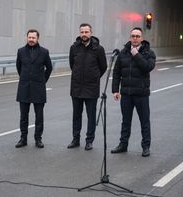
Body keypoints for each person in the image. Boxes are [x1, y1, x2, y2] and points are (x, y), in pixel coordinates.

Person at [111, 27, 156, 157]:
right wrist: (115, 90)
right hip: (126, 93)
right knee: (125, 121)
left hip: (141, 94)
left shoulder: (148, 53)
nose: (135, 38)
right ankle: (123, 144)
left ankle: (146, 147)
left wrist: (136, 54)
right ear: (130, 37)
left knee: (144, 121)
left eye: (137, 36)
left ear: (142, 38)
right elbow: (116, 72)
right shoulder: (123, 53)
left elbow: (147, 67)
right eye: (133, 36)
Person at [67, 23, 107, 151]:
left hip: (91, 88)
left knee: (91, 116)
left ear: (91, 32)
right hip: (76, 88)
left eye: (86, 32)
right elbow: (72, 65)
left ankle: (89, 141)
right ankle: (75, 139)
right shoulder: (74, 48)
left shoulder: (98, 49)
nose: (84, 34)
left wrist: (94, 78)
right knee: (76, 115)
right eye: (82, 32)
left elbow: (103, 67)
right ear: (79, 33)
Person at [15, 29, 53, 148]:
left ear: (37, 39)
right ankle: (23, 138)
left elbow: (49, 68)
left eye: (33, 38)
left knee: (39, 116)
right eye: (29, 37)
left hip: (38, 88)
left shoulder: (44, 52)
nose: (31, 40)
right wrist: (25, 77)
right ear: (27, 38)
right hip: (24, 87)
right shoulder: (21, 51)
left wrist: (42, 80)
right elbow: (19, 67)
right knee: (23, 116)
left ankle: (38, 139)